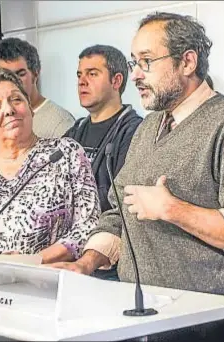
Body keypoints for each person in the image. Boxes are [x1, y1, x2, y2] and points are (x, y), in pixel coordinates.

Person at [50, 11, 224, 341]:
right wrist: (86, 264)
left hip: (206, 320)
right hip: (140, 314)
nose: (137, 75)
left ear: (187, 62)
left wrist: (172, 210)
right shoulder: (147, 128)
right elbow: (118, 215)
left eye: (147, 62)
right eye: (133, 63)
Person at [0, 67, 100, 340]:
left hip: (50, 309)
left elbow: (89, 226)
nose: (9, 109)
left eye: (16, 99)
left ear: (29, 106)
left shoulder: (65, 153)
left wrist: (33, 261)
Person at [64, 44, 143, 281]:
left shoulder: (134, 131)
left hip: (109, 262)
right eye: (79, 74)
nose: (82, 81)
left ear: (117, 81)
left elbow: (121, 203)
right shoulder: (73, 132)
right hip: (70, 253)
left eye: (92, 73)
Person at [0, 37, 75, 138]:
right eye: (5, 76)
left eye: (20, 74)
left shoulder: (60, 123)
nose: (13, 82)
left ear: (35, 74)